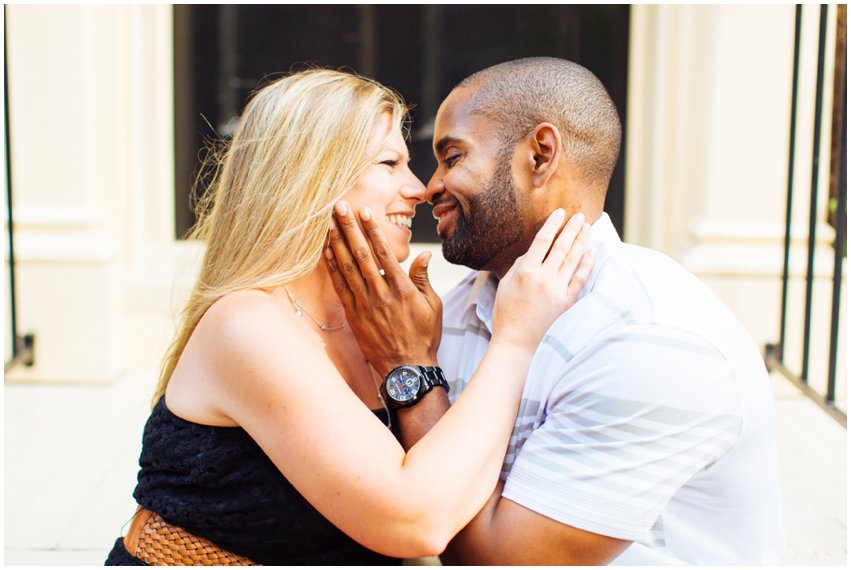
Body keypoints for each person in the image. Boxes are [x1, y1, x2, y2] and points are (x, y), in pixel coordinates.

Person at [104, 68, 594, 565]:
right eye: (390, 163)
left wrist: (413, 360)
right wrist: (516, 338)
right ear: (309, 177)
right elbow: (418, 523)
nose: (419, 188)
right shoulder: (247, 325)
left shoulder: (379, 325)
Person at [327, 57, 787, 565]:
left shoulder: (651, 336)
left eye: (452, 157)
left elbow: (502, 562)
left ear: (541, 156)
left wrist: (407, 369)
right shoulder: (456, 308)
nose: (429, 186)